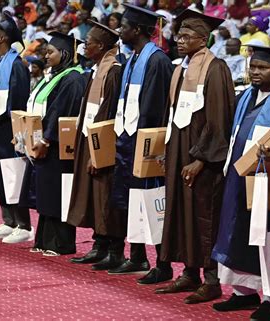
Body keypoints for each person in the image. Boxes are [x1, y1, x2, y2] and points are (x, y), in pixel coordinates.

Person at [211, 46, 270, 321]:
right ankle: (243, 293)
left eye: (262, 68)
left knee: (264, 239)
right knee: (235, 233)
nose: (255, 72)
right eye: (252, 67)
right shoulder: (246, 95)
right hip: (238, 178)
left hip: (269, 182)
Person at [156, 9, 235, 304]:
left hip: (202, 159)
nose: (179, 40)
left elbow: (219, 118)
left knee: (204, 216)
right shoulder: (180, 69)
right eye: (179, 35)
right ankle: (189, 273)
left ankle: (212, 280)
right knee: (180, 212)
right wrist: (168, 151)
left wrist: (201, 158)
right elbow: (172, 113)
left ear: (203, 39)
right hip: (178, 151)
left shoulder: (216, 68)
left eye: (187, 36)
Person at [108, 4, 174, 285]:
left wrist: (148, 145)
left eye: (123, 26)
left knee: (150, 202)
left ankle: (163, 263)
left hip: (145, 142)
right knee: (131, 201)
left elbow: (156, 107)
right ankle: (136, 256)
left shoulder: (156, 60)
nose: (120, 31)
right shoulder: (133, 57)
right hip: (126, 139)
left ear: (137, 30)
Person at [21, 32, 86, 256]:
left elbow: (61, 113)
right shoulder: (56, 76)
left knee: (58, 194)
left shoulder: (73, 78)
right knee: (47, 194)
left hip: (60, 146)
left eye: (51, 52)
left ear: (65, 54)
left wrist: (47, 139)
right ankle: (44, 240)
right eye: (46, 52)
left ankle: (61, 243)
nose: (46, 56)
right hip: (47, 143)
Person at [67, 21, 122, 266]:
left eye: (87, 43)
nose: (83, 46)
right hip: (87, 136)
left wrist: (98, 151)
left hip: (102, 142)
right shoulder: (97, 68)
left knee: (105, 195)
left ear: (100, 46)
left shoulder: (113, 70)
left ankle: (114, 250)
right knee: (93, 194)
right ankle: (99, 244)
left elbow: (108, 113)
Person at [0, 16, 33, 243]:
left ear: (2, 38)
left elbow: (18, 101)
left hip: (9, 130)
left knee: (14, 175)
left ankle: (23, 224)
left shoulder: (16, 64)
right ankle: (8, 220)